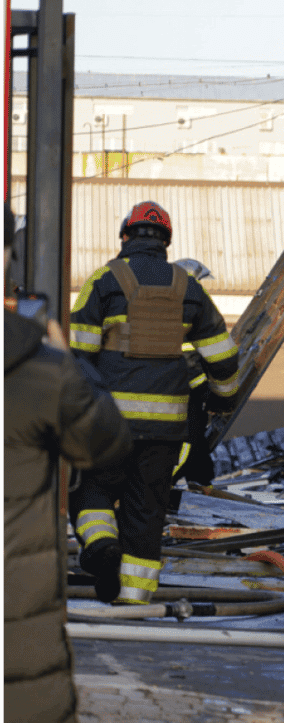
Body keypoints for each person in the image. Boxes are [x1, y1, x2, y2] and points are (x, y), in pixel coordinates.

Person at [67, 201, 241, 604]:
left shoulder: (104, 280)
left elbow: (77, 354)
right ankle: (133, 599)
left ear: (125, 237)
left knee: (88, 487)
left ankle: (101, 547)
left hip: (108, 425)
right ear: (166, 242)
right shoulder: (189, 288)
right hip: (165, 430)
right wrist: (224, 400)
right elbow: (223, 357)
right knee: (146, 511)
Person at [4, 201, 133, 723]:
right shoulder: (37, 371)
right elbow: (106, 445)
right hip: (19, 655)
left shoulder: (106, 282)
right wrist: (66, 363)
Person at [172, 258, 218, 488]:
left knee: (194, 442)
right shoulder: (182, 309)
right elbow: (188, 357)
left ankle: (200, 482)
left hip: (176, 389)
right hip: (182, 391)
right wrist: (205, 391)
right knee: (188, 442)